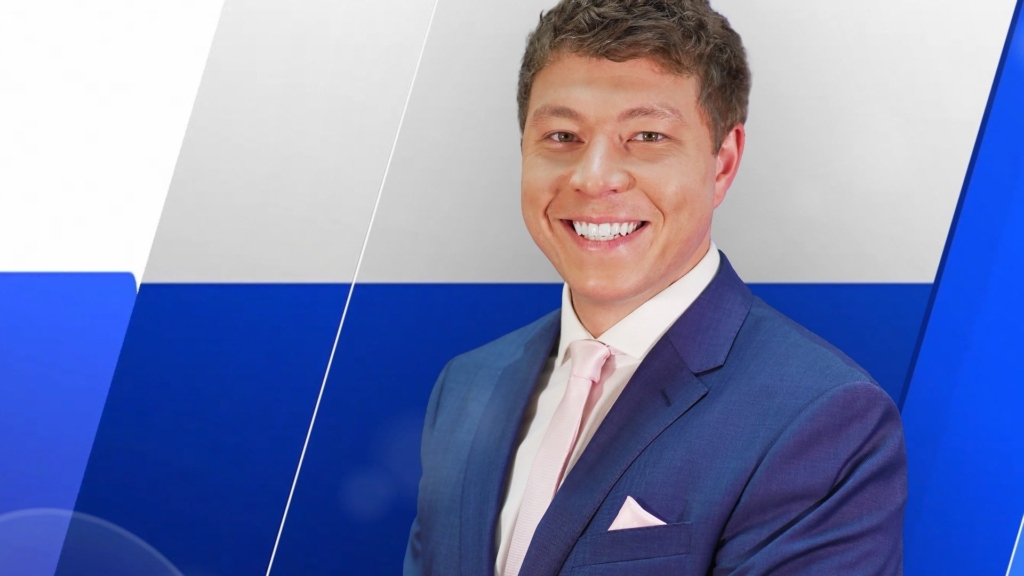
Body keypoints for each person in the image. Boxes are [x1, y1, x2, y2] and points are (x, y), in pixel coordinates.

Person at [404, 0, 907, 573]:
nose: (593, 178)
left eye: (647, 135)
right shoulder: (467, 385)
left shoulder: (821, 419)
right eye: (563, 135)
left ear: (722, 164)